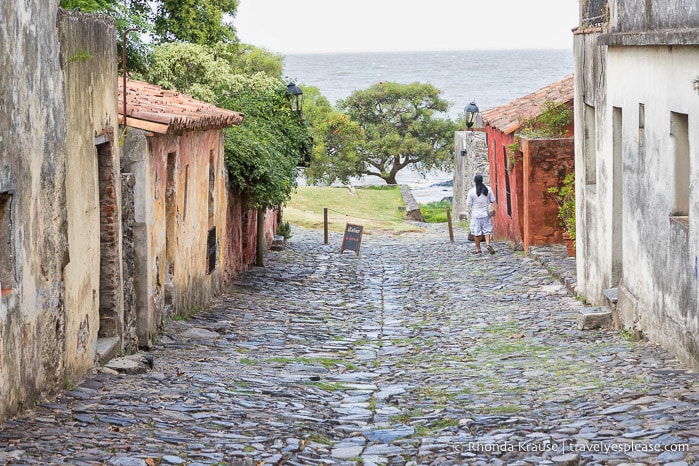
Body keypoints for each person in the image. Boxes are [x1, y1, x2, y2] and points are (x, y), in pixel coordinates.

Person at [466, 174, 496, 255]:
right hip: (486, 213)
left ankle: (478, 249)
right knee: (487, 230)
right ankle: (488, 244)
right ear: (482, 180)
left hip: (476, 214)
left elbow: (468, 204)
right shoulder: (488, 190)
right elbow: (493, 200)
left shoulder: (471, 192)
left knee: (476, 232)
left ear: (475, 181)